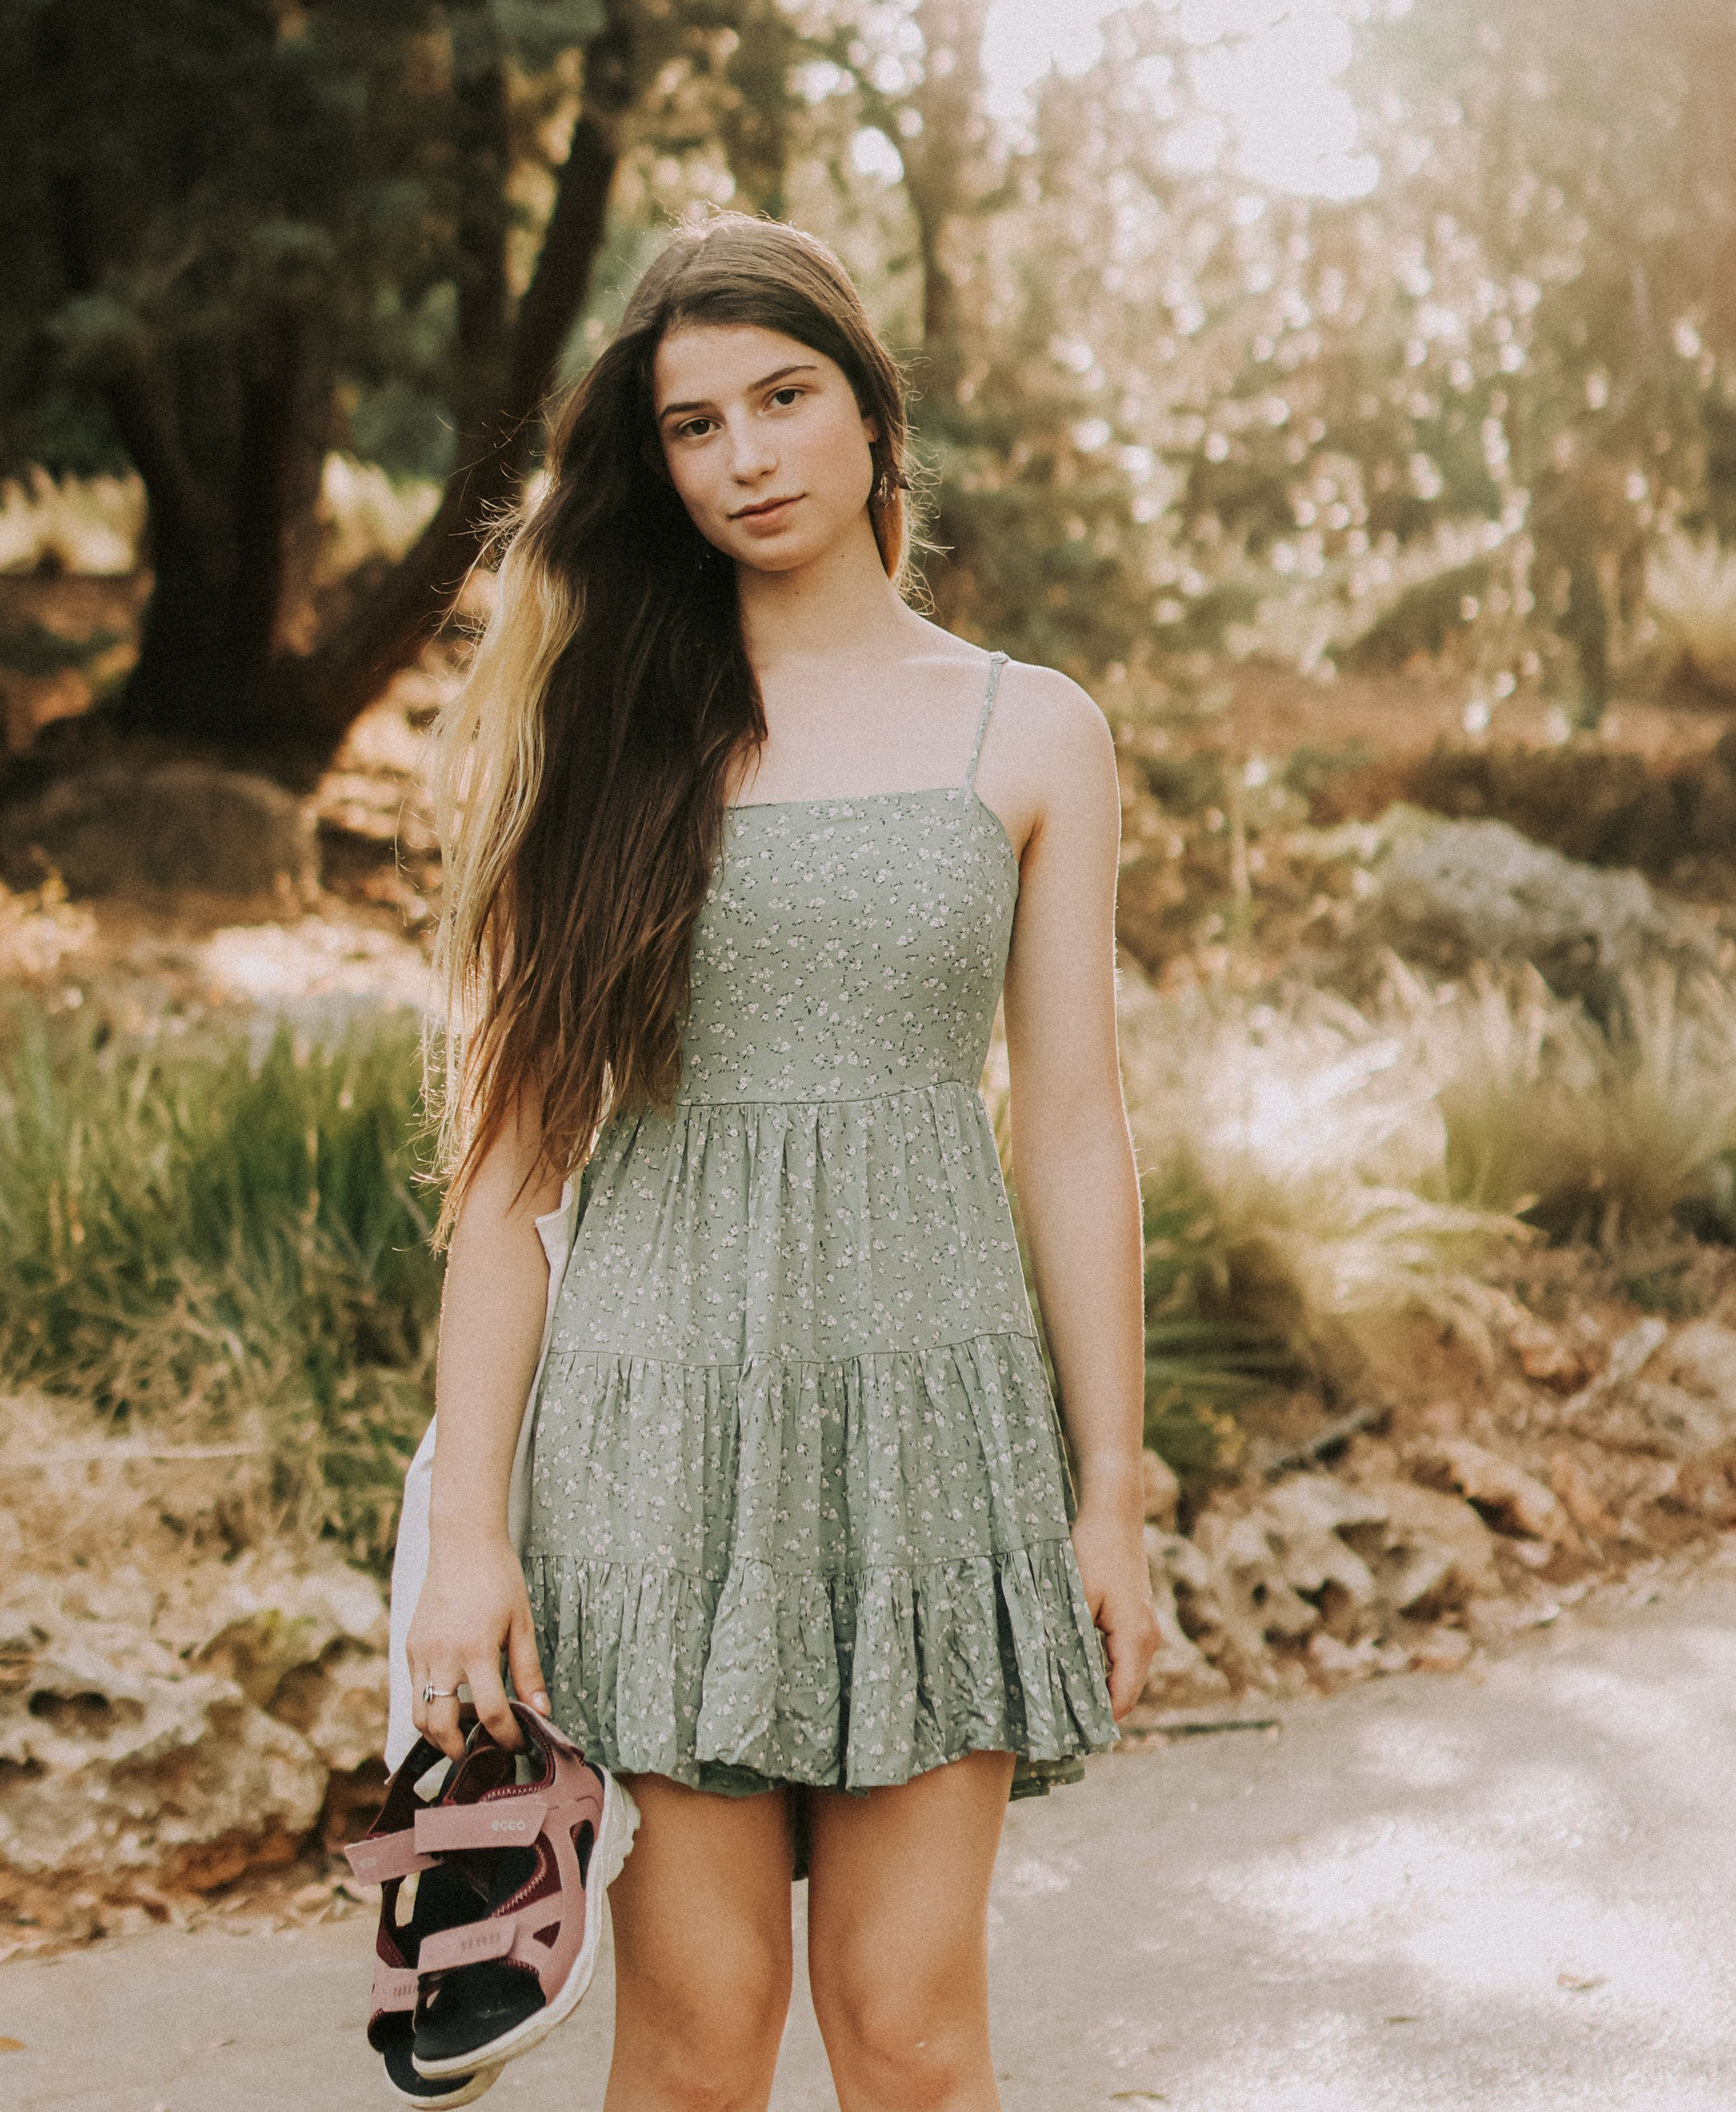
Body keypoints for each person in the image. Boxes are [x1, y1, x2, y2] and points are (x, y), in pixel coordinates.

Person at [406, 215, 1158, 2112]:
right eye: (691, 426)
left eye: (781, 398)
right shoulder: (596, 728)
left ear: (870, 413)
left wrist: (1108, 1488)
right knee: (696, 2036)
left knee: (907, 2030)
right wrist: (471, 1536)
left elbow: (1072, 1126)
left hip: (930, 1431)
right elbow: (507, 1172)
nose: (743, 456)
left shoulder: (1030, 728)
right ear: (652, 463)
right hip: (656, 1437)